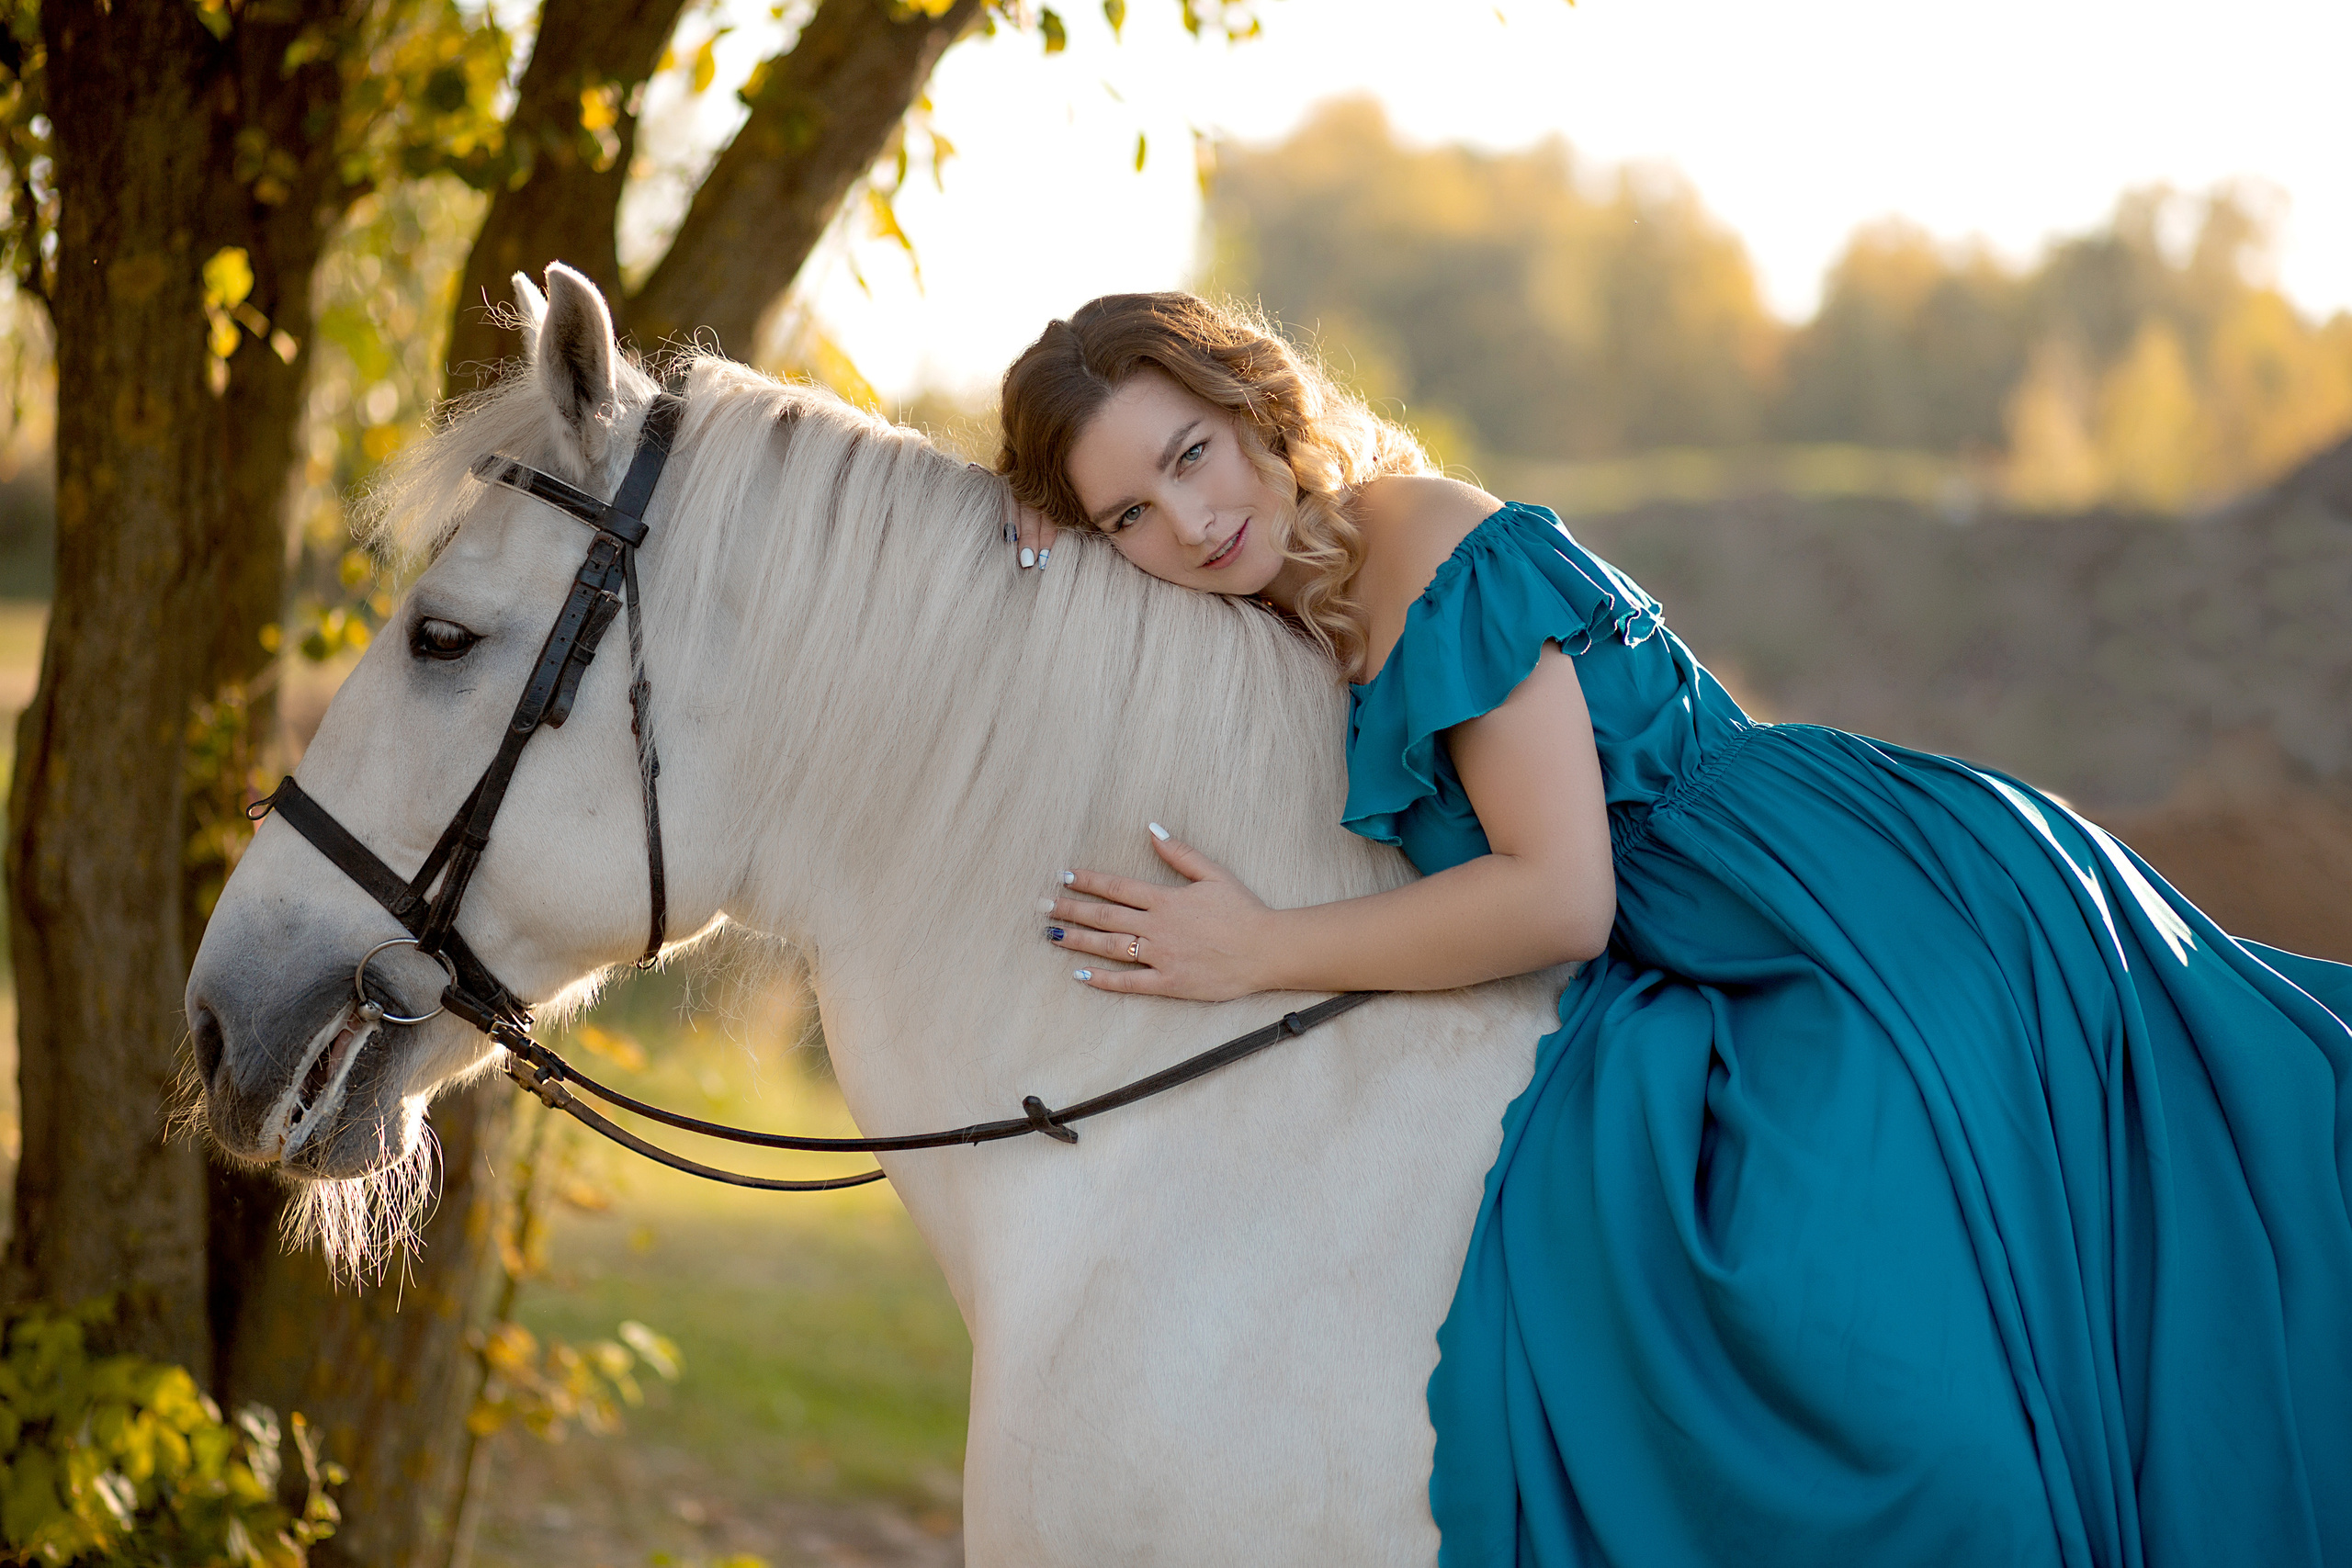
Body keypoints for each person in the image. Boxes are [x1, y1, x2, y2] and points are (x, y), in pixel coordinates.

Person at [993, 292, 2352, 1568]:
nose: (1189, 519)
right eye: (1129, 515)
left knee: (1880, 1338)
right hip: (1725, 936)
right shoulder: (1292, 600)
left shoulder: (1418, 541)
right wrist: (1037, 546)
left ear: (1253, 405)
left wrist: (1258, 947)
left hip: (1846, 908)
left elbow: (1559, 898)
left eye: (1193, 454)